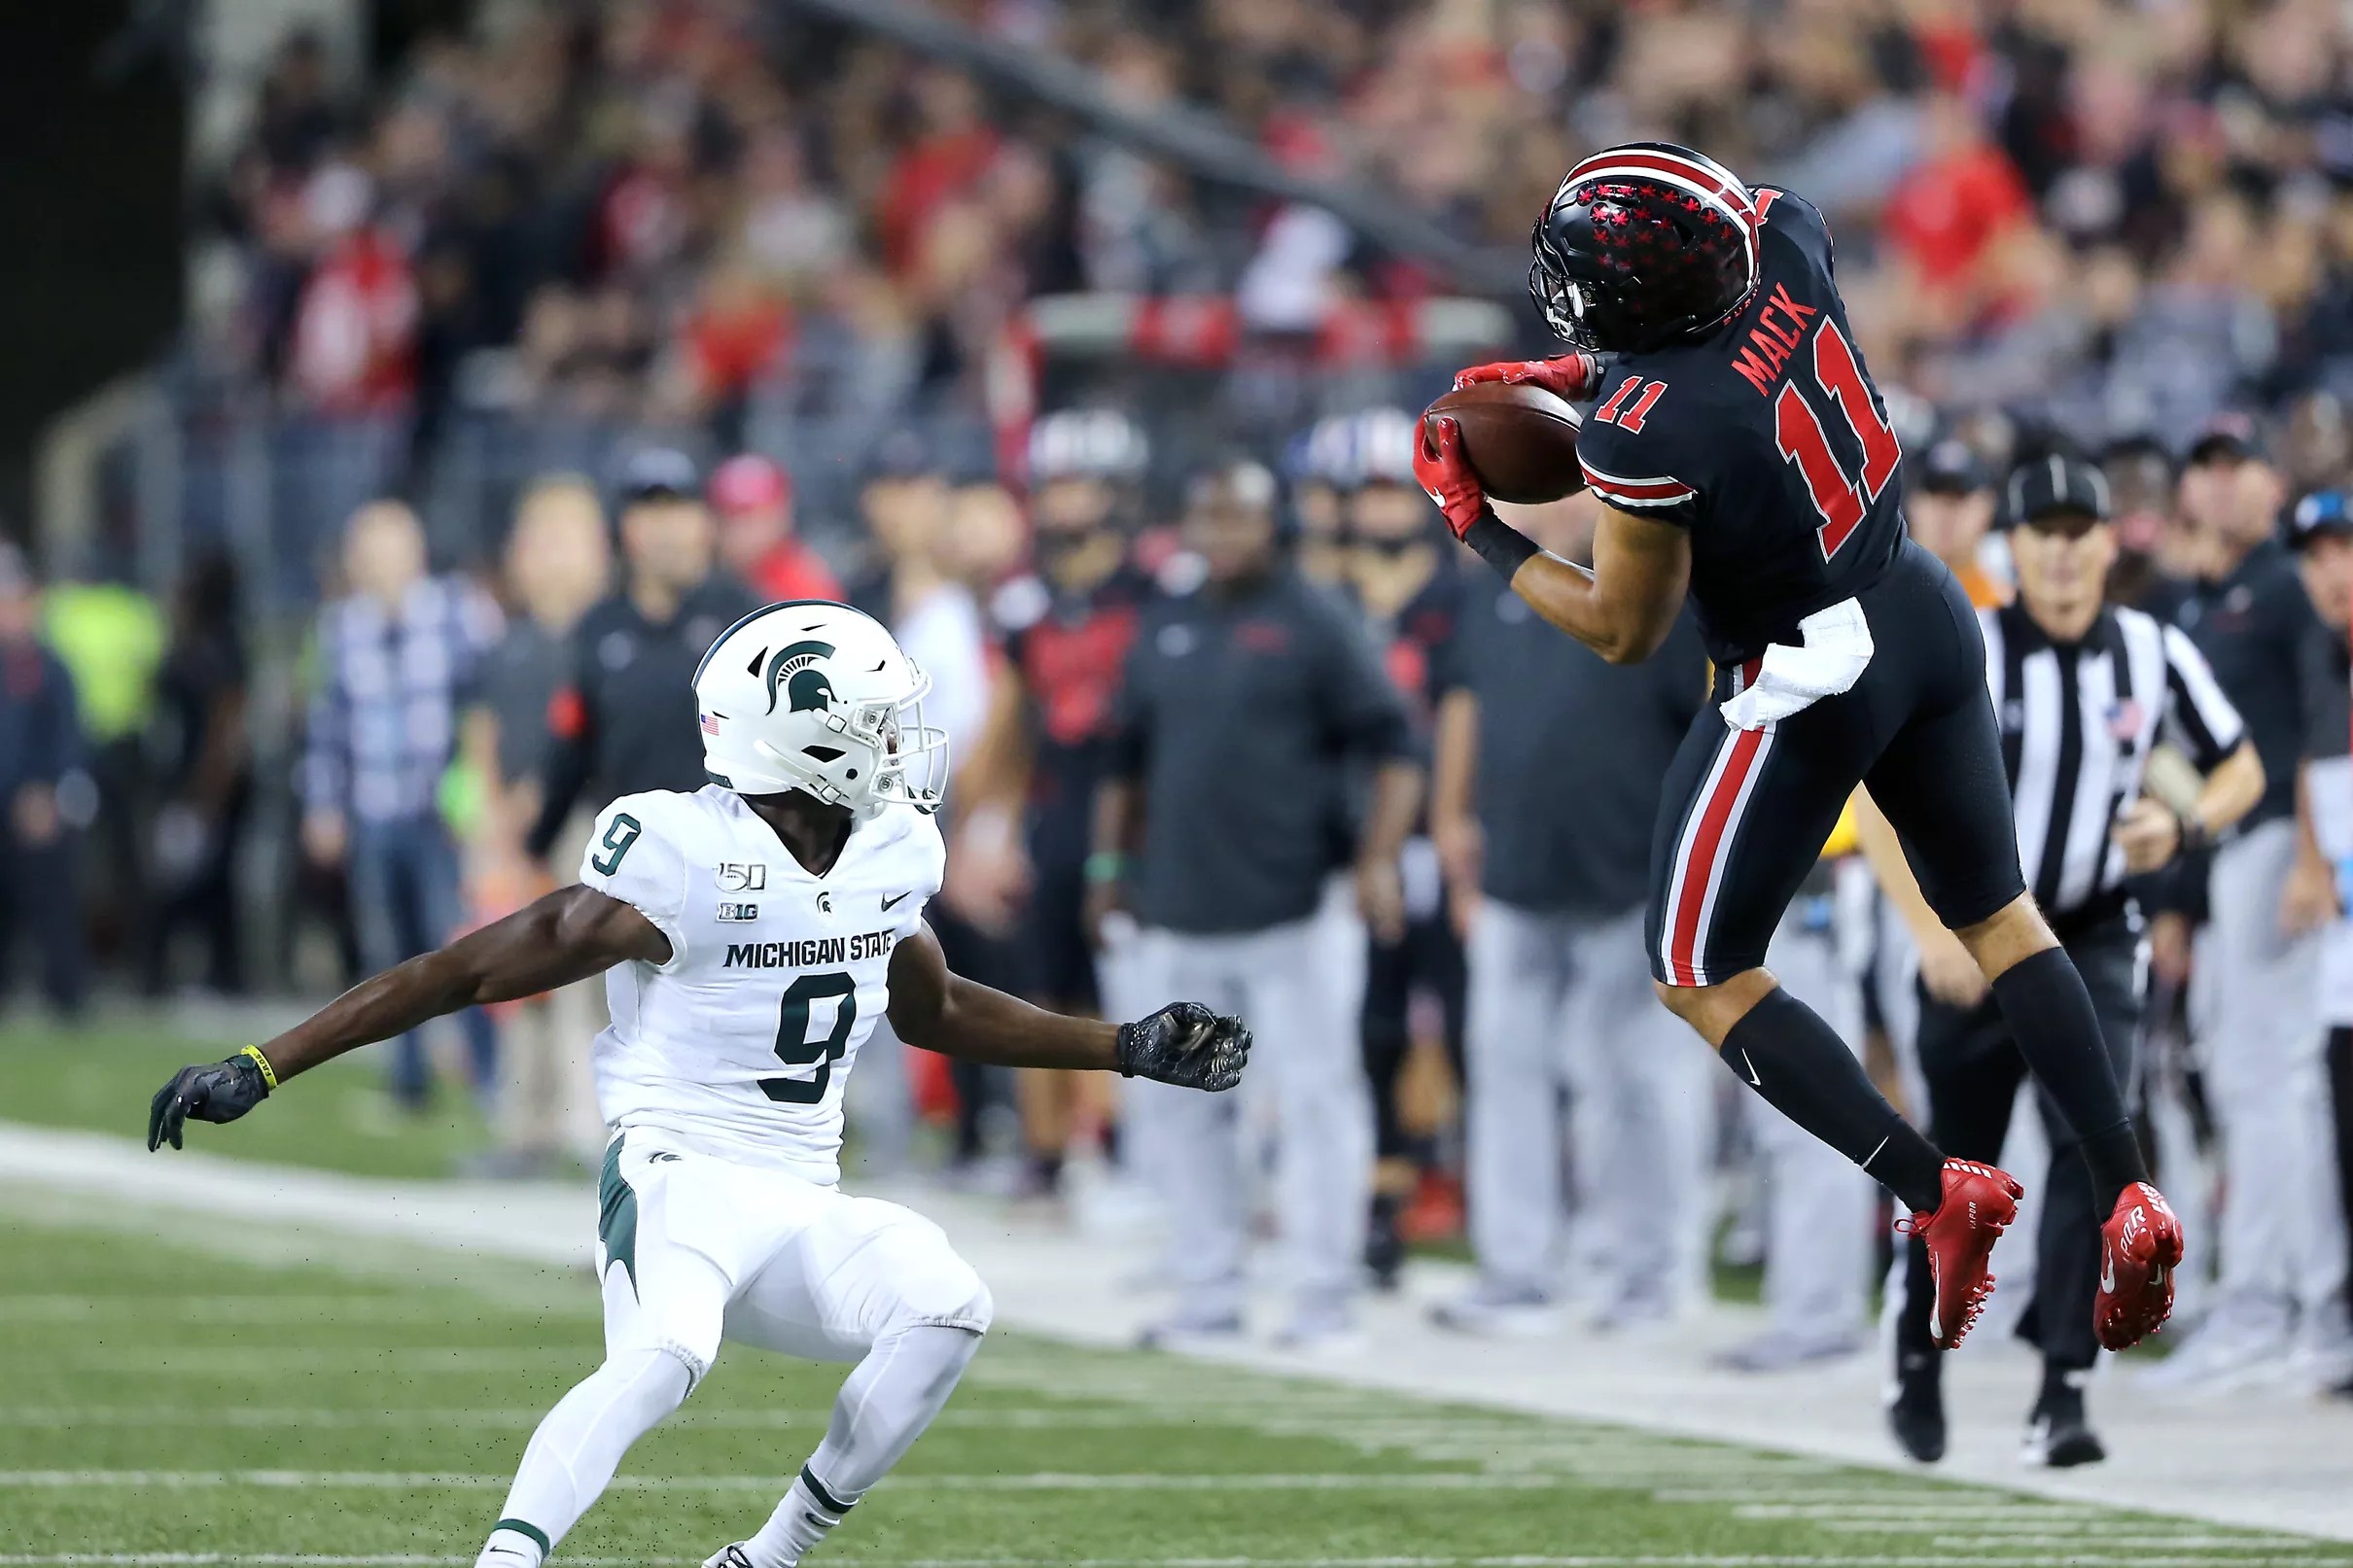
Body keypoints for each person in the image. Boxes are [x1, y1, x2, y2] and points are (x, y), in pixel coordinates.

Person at [145, 601, 1249, 1568]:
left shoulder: (892, 845)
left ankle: (766, 1556)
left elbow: (936, 1007)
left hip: (799, 1191)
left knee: (948, 1302)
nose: (896, 740)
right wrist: (263, 1061)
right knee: (668, 1351)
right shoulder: (679, 851)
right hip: (675, 1170)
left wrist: (1122, 1046)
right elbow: (468, 966)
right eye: (870, 718)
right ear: (801, 734)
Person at [1415, 142, 2182, 1354]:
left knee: (1692, 967)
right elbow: (1719, 307)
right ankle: (2125, 1185)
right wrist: (1580, 366)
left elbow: (1626, 629)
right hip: (1916, 601)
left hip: (1804, 673)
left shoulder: (1643, 428)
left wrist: (1481, 529)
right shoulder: (1787, 238)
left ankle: (1936, 1190)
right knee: (2000, 915)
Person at [1867, 455, 2261, 1465]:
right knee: (1953, 1177)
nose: (2059, 548)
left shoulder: (2149, 648)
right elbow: (1874, 788)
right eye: (2039, 529)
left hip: (2086, 930)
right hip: (1973, 935)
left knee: (2095, 1151)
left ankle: (2063, 1388)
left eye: (2076, 527)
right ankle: (1914, 1357)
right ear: (2012, 545)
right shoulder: (1968, 646)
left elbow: (2238, 765)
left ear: (2102, 543)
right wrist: (1924, 931)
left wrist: (2178, 823)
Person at [1093, 458, 1420, 1348]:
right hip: (1184, 908)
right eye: (1209, 514)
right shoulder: (1166, 624)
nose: (1223, 531)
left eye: (1239, 515)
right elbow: (1122, 761)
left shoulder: (1316, 619)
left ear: (1272, 522)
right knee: (1189, 1108)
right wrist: (1105, 870)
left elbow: (1397, 745)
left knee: (1317, 1101)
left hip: (1297, 904)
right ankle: (1208, 1292)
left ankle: (1323, 1296)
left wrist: (1377, 860)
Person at [1426, 497, 1710, 1335]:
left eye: (1561, 484)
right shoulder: (1492, 586)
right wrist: (1449, 818)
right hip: (1515, 876)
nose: (1544, 504)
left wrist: (1684, 867)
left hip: (1629, 879)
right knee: (1505, 1072)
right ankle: (1519, 1271)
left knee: (1635, 1086)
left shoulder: (1655, 578)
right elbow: (1465, 702)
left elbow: (1706, 724)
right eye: (1526, 486)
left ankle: (1650, 1272)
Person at [2145, 419, 2350, 1388]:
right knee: (2252, 1082)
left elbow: (2311, 730)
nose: (2219, 487)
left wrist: (2311, 854)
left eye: (2236, 468)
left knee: (2270, 1082)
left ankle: (2286, 1304)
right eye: (2205, 469)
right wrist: (2181, 900)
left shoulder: (2278, 585)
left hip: (2278, 841)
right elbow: (2189, 760)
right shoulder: (2206, 600)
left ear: (2269, 482)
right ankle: (2280, 1301)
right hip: (2231, 855)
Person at [954, 409, 1155, 1199]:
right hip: (1057, 802)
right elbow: (1007, 725)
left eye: (1080, 485)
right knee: (1042, 985)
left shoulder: (1154, 590)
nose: (1066, 503)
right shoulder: (1026, 603)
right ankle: (1046, 1156)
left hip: (1137, 805)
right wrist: (983, 825)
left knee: (1124, 986)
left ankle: (1114, 1146)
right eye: (1057, 486)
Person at [299, 500, 501, 1105]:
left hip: (442, 812)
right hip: (374, 807)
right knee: (389, 950)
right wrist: (322, 805)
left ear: (415, 554)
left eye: (391, 550)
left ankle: (488, 1074)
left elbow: (485, 712)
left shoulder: (458, 614)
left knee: (460, 943)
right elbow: (325, 727)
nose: (380, 565)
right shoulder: (340, 627)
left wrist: (479, 798)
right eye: (369, 553)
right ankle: (408, 1077)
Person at [1334, 407, 1470, 1287]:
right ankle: (1381, 1188)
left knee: (1459, 1019)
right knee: (1370, 1026)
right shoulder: (1325, 599)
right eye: (1369, 493)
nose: (1384, 511)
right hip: (1358, 840)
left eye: (1397, 491)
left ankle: (1443, 1170)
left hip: (1441, 837)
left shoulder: (1458, 594)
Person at [465, 476, 615, 1175]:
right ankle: (523, 1124)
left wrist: (538, 800)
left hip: (581, 822)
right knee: (514, 975)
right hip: (513, 832)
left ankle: (589, 1125)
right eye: (537, 541)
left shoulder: (602, 637)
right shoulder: (508, 644)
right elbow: (484, 734)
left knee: (585, 982)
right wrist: (493, 811)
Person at [527, 449, 761, 864]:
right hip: (634, 860)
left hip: (731, 856)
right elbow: (575, 748)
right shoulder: (599, 628)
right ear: (625, 527)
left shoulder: (745, 619)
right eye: (649, 512)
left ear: (705, 523)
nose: (665, 529)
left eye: (678, 509)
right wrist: (536, 846)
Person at [143, 551, 253, 996]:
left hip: (208, 784)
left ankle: (221, 973)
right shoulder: (187, 641)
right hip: (181, 779)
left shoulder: (221, 646)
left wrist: (208, 790)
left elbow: (225, 724)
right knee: (182, 879)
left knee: (208, 882)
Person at [0, 545, 88, 1015]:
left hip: (35, 802)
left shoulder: (48, 667)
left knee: (52, 899)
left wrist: (48, 791)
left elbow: (68, 739)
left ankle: (66, 997)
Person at [709, 453, 843, 605]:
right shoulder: (701, 575)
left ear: (781, 514)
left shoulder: (806, 586)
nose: (739, 531)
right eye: (729, 517)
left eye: (752, 517)